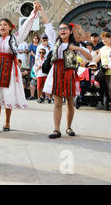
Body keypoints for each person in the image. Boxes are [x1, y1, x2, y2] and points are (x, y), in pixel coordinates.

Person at [0, 0, 41, 133]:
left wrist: (34, 13)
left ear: (10, 28)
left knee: (8, 96)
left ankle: (7, 122)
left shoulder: (15, 39)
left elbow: (26, 27)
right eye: (1, 25)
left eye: (5, 25)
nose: (2, 26)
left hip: (9, 68)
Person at [40, 7, 92, 139]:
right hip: (57, 71)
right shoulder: (55, 41)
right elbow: (47, 25)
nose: (62, 31)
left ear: (70, 31)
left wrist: (77, 48)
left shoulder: (75, 45)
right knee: (57, 102)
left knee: (69, 101)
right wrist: (41, 10)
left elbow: (90, 58)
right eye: (60, 29)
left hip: (69, 72)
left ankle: (69, 127)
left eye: (65, 29)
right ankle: (56, 129)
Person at [91, 32, 111, 111]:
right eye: (102, 39)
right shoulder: (102, 49)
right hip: (103, 70)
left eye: (105, 39)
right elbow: (97, 59)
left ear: (110, 38)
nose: (104, 41)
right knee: (107, 89)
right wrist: (91, 65)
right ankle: (109, 103)